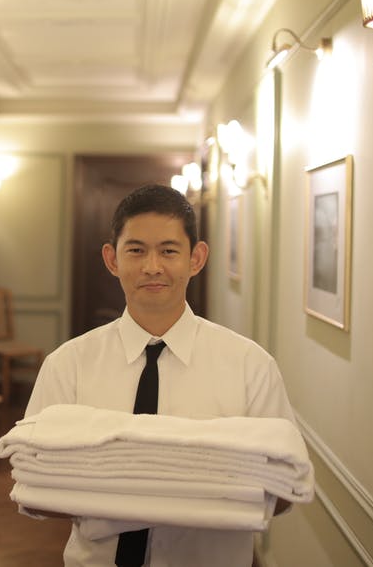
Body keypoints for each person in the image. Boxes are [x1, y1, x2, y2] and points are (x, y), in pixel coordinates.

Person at [23, 183, 299, 567]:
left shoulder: (251, 367)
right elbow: (35, 485)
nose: (152, 266)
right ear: (112, 259)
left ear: (196, 258)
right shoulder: (67, 365)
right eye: (136, 250)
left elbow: (284, 488)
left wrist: (111, 492)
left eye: (169, 251)